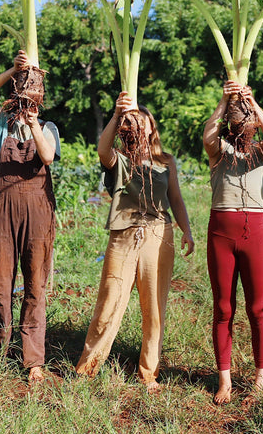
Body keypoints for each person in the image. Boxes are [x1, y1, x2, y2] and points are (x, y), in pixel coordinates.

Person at [76, 92, 194, 391]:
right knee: (109, 304)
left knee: (154, 307)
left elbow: (176, 200)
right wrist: (117, 116)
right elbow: (102, 150)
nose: (133, 127)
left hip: (158, 234)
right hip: (124, 235)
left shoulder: (166, 161)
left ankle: (148, 373)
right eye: (128, 124)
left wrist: (187, 231)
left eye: (138, 122)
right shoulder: (119, 159)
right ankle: (87, 368)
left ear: (151, 128)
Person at [0, 50, 60, 384]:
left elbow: (46, 156)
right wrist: (13, 70)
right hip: (2, 210)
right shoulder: (0, 122)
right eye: (20, 99)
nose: (25, 106)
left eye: (30, 102)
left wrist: (33, 125)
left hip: (38, 213)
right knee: (0, 283)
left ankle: (33, 361)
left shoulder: (48, 127)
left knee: (35, 286)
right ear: (15, 97)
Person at [203, 81, 263, 404]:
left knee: (257, 307)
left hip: (256, 233)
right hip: (221, 233)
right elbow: (208, 134)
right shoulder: (218, 150)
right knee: (223, 307)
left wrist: (253, 105)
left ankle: (260, 377)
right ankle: (226, 380)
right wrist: (225, 101)